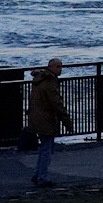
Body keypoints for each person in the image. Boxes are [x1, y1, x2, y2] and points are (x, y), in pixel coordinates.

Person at [27, 58, 73, 188]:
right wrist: (67, 122)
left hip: (36, 117)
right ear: (51, 67)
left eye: (61, 66)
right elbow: (56, 103)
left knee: (45, 148)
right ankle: (42, 177)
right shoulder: (49, 82)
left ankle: (38, 174)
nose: (60, 69)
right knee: (47, 149)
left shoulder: (39, 79)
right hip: (45, 119)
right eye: (58, 66)